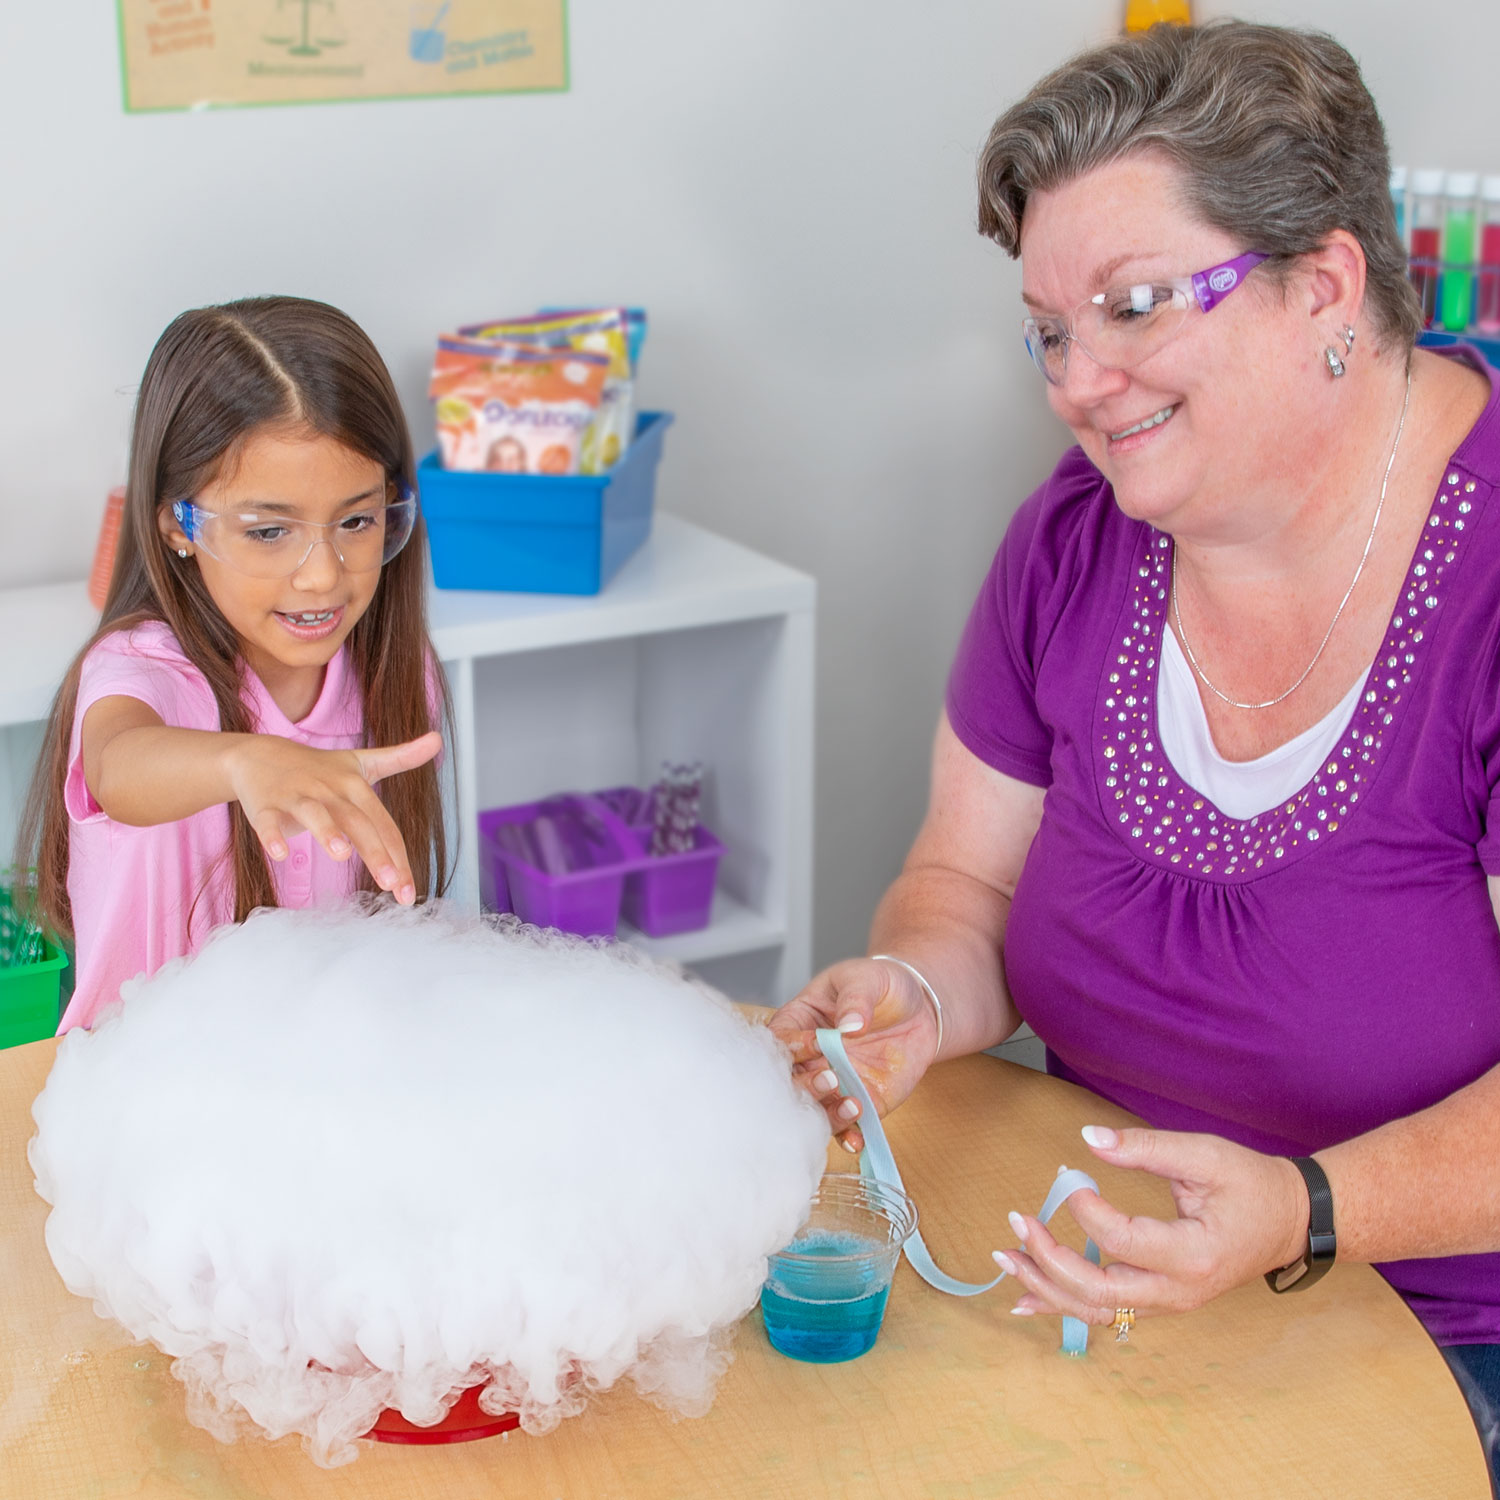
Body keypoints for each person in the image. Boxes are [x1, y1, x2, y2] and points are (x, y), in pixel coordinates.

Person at [770, 20, 1500, 1485]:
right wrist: (916, 990)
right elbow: (965, 882)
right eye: (1049, 328)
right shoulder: (1075, 540)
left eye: (1135, 306)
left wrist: (1306, 1209)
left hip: (1430, 1341)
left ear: (1327, 286)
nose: (1076, 383)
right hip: (1103, 1286)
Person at [13, 296, 452, 1034]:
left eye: (357, 520)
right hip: (143, 1096)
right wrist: (246, 762)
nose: (322, 575)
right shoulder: (146, 668)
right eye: (269, 530)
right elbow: (120, 764)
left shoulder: (396, 675)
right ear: (174, 524)